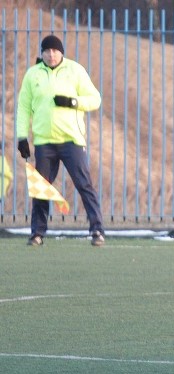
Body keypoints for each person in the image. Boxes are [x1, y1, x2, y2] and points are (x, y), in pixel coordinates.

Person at [16, 34, 105, 247]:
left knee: (84, 184)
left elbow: (95, 100)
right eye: (46, 50)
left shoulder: (75, 70)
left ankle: (97, 230)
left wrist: (72, 102)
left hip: (71, 140)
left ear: (61, 52)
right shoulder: (32, 74)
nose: (51, 54)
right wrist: (21, 137)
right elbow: (23, 107)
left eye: (55, 50)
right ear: (42, 53)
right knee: (40, 189)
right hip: (43, 142)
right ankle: (37, 233)